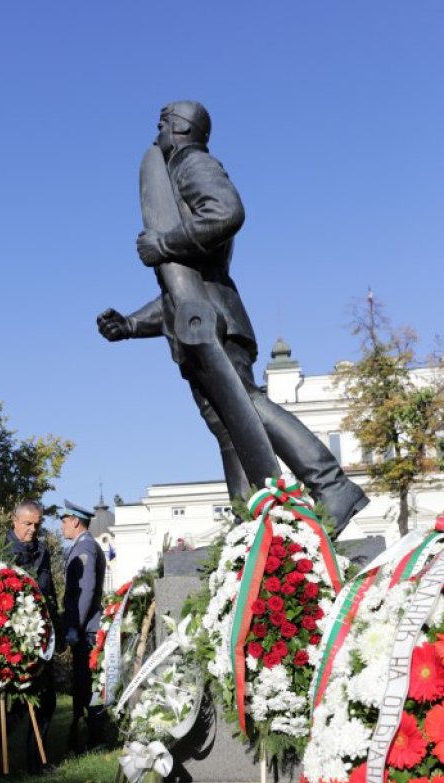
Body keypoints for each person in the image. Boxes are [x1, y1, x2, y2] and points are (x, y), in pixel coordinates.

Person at [97, 101, 368, 537]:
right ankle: (252, 524)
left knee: (247, 405)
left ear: (181, 128)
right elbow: (180, 291)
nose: (157, 135)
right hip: (195, 323)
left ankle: (333, 486)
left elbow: (226, 212)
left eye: (162, 125)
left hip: (216, 322)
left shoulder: (192, 162)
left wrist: (164, 242)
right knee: (229, 429)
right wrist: (129, 325)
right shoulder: (177, 171)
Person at [0, 500, 59, 778]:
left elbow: (49, 593)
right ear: (14, 521)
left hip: (38, 636)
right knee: (16, 706)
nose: (32, 530)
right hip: (12, 639)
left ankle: (35, 761)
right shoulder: (1, 554)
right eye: (27, 524)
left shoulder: (42, 552)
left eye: (37, 524)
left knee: (46, 700)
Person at [60, 499, 107, 751]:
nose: (61, 526)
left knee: (87, 683)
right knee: (84, 683)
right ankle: (88, 737)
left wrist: (74, 628)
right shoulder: (84, 546)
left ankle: (95, 738)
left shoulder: (85, 548)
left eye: (63, 521)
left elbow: (85, 591)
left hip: (86, 629)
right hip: (86, 627)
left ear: (75, 521)